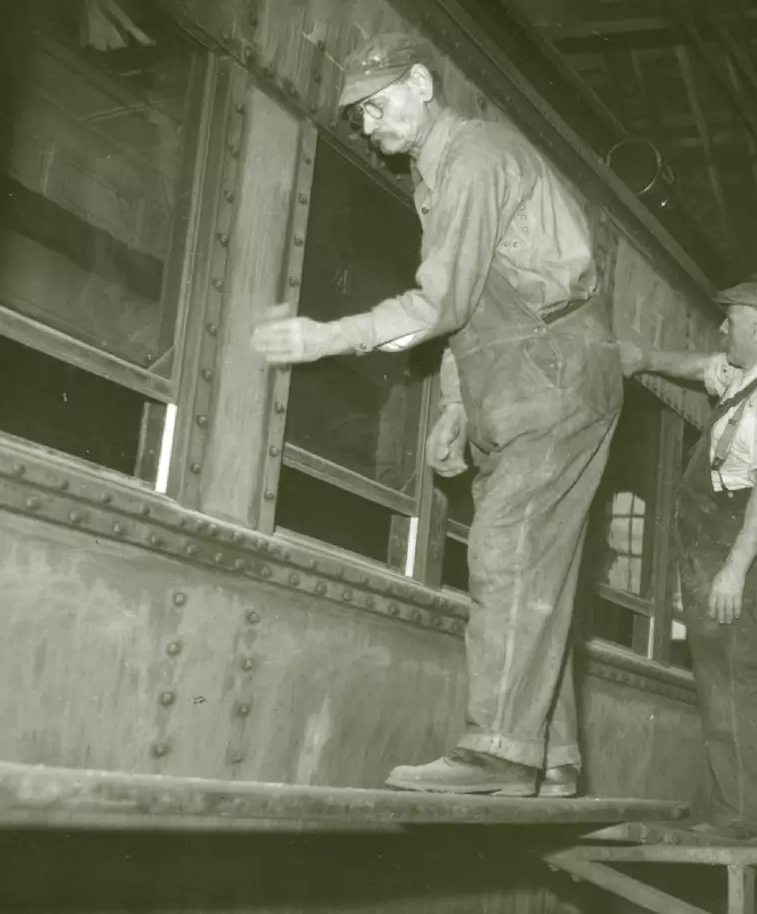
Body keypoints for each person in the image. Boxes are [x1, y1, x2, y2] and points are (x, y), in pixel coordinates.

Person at [252, 33, 623, 797]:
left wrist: (329, 336)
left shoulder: (476, 157)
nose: (366, 124)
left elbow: (442, 300)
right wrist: (457, 402)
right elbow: (472, 311)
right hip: (520, 372)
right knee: (531, 561)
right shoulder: (438, 173)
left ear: (422, 83)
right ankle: (550, 758)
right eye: (355, 116)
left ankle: (500, 753)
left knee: (506, 551)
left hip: (550, 370)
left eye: (377, 105)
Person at [620, 281, 757, 843]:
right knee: (724, 682)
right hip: (724, 560)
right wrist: (645, 360)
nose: (721, 329)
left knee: (743, 683)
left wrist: (733, 569)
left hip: (746, 568)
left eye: (729, 321)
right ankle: (744, 815)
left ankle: (750, 821)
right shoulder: (747, 382)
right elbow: (701, 364)